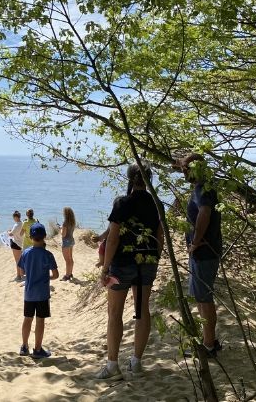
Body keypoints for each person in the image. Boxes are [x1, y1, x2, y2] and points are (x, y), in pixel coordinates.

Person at [96, 163, 164, 381]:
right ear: (149, 178)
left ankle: (113, 364)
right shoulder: (156, 204)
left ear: (129, 179)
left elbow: (113, 238)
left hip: (122, 264)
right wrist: (154, 260)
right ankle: (136, 362)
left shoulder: (122, 203)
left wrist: (105, 268)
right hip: (147, 261)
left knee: (114, 313)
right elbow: (160, 238)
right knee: (142, 310)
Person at [178, 153, 223, 357]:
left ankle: (208, 345)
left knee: (204, 298)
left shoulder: (203, 189)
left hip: (204, 251)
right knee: (201, 297)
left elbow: (204, 213)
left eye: (186, 168)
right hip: (203, 251)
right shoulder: (203, 187)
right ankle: (209, 341)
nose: (183, 172)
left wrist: (195, 241)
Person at [18, 222, 59, 359]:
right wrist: (46, 277)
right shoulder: (48, 255)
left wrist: (30, 274)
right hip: (42, 294)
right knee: (40, 321)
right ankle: (37, 349)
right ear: (44, 236)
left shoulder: (26, 253)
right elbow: (56, 275)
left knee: (27, 319)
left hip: (29, 293)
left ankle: (24, 346)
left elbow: (22, 271)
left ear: (30, 237)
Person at [60, 207, 76, 280]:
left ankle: (67, 276)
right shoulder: (73, 221)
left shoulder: (65, 223)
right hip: (71, 240)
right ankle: (70, 273)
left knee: (67, 260)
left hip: (66, 242)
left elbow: (63, 234)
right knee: (70, 259)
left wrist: (60, 229)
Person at [8, 211, 25, 281]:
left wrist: (8, 232)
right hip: (21, 243)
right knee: (21, 260)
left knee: (17, 261)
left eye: (13, 217)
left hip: (16, 244)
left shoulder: (16, 225)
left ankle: (19, 275)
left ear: (15, 217)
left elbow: (11, 234)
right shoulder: (23, 223)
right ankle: (22, 273)